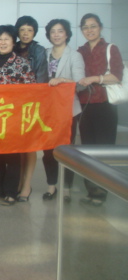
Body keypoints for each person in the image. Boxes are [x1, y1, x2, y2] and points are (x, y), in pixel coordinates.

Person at [0, 25, 35, 206]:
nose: (3, 42)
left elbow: (31, 89)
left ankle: (11, 192)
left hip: (14, 116)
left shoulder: (22, 63)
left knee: (13, 154)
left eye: (6, 39)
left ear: (13, 42)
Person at [77, 13, 124, 206]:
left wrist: (96, 78)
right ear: (81, 30)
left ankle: (101, 192)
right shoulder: (80, 51)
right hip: (85, 105)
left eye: (93, 26)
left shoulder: (110, 48)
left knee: (104, 148)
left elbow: (117, 76)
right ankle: (91, 190)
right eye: (85, 27)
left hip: (105, 105)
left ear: (100, 28)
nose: (89, 30)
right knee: (87, 149)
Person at [42, 19, 85, 201]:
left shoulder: (74, 55)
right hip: (47, 110)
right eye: (53, 31)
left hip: (68, 110)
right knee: (47, 150)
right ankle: (51, 186)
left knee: (67, 149)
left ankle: (66, 187)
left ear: (67, 34)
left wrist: (63, 80)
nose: (56, 34)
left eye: (60, 31)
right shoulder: (44, 53)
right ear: (48, 35)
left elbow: (80, 83)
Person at [13, 15, 49, 202]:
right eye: (22, 30)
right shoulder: (12, 47)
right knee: (17, 147)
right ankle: (18, 182)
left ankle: (26, 185)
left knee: (29, 146)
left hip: (31, 103)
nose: (26, 33)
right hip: (13, 105)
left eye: (29, 30)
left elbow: (41, 78)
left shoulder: (39, 51)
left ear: (34, 32)